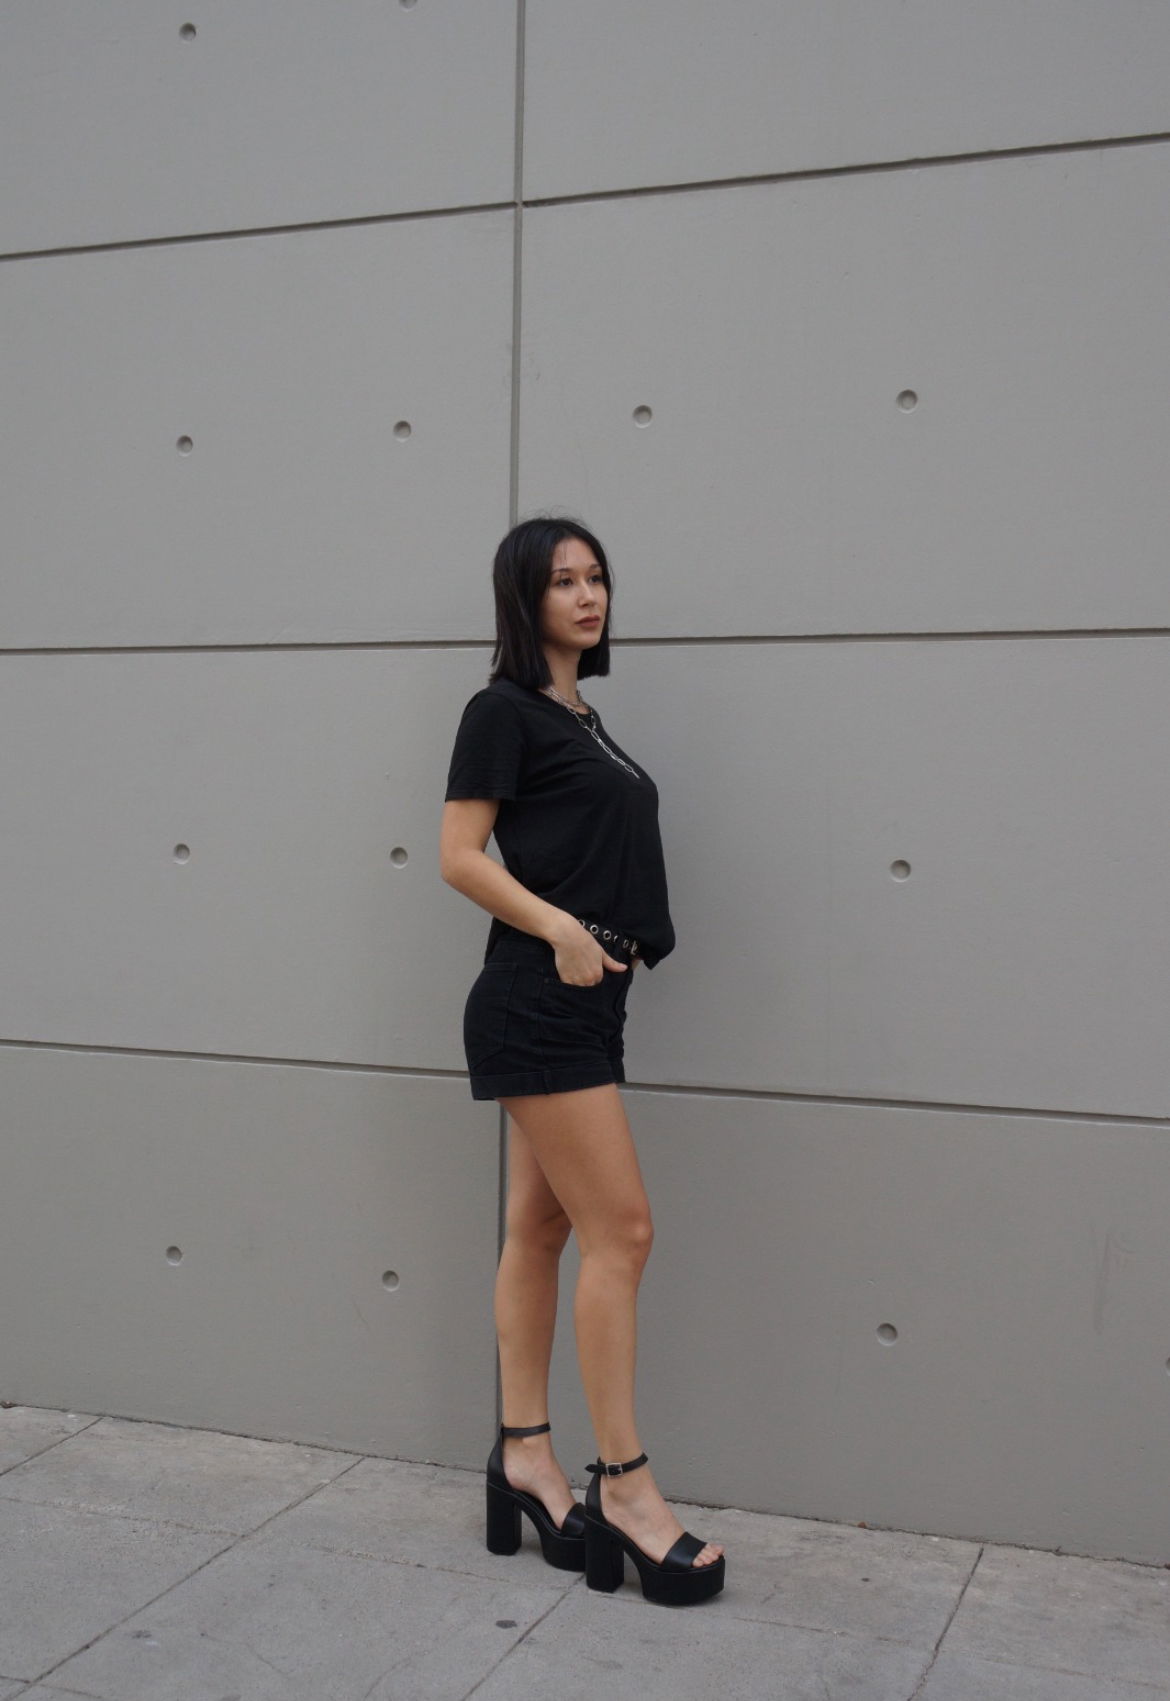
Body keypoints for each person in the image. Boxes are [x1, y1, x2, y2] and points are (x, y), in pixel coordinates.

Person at [439, 516, 726, 1607]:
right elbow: (459, 854)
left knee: (543, 1228)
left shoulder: (583, 719)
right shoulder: (500, 711)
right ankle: (627, 1490)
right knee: (625, 1232)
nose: (588, 594)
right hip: (537, 999)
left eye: (597, 576)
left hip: (587, 1007)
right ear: (526, 598)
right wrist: (560, 927)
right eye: (563, 580)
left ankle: (524, 1455)